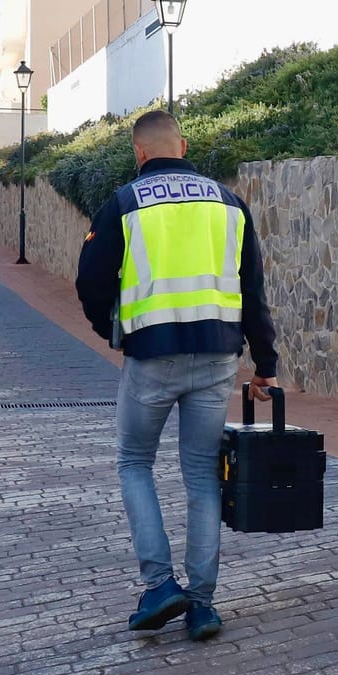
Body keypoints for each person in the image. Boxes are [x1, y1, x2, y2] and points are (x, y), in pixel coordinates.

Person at [76, 110, 281, 642]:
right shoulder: (230, 203)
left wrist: (115, 331)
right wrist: (267, 365)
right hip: (217, 356)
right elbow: (252, 289)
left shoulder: (124, 203)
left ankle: (158, 584)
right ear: (183, 145)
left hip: (152, 355)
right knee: (201, 476)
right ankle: (203, 604)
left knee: (133, 462)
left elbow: (90, 281)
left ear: (139, 152)